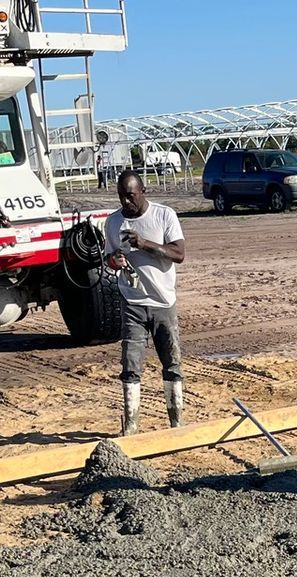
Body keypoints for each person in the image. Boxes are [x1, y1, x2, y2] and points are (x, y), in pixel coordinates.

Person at [104, 170, 186, 436]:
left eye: (130, 196)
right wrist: (114, 261)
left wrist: (145, 244)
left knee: (171, 363)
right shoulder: (113, 222)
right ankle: (131, 425)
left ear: (142, 191)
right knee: (130, 365)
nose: (126, 202)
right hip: (133, 302)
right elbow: (109, 258)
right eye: (121, 197)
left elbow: (179, 254)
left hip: (163, 301)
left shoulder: (164, 215)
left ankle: (176, 422)